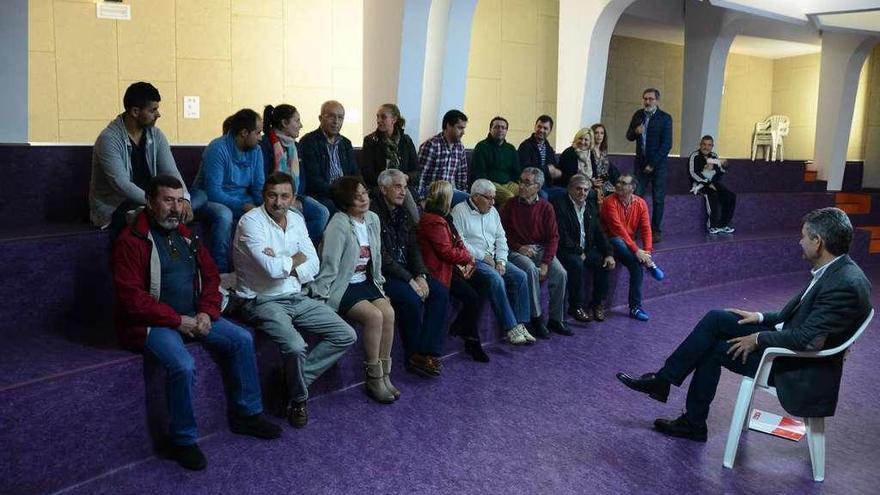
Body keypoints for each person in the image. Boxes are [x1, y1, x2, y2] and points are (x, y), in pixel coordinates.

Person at [617, 207, 872, 441]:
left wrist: (758, 338)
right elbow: (797, 315)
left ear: (818, 242)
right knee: (717, 318)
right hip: (789, 343)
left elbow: (808, 340)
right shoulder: (836, 269)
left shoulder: (843, 284)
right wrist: (759, 317)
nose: (800, 242)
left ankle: (688, 417)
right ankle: (665, 383)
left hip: (796, 365)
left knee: (714, 348)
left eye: (804, 237)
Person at [112, 175, 281, 470]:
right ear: (150, 203)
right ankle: (183, 440)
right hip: (155, 323)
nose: (175, 208)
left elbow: (212, 277)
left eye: (180, 201)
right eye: (167, 200)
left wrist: (206, 313)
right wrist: (178, 321)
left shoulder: (187, 235)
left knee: (242, 340)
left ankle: (247, 415)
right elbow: (132, 299)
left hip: (194, 315)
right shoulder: (131, 240)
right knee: (182, 364)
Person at [232, 172, 356, 429]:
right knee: (296, 346)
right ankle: (299, 398)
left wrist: (283, 261)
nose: (278, 202)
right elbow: (271, 270)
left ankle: (290, 379)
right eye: (272, 196)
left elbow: (314, 264)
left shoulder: (297, 220)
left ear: (293, 198)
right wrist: (293, 259)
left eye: (284, 196)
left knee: (346, 334)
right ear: (263, 196)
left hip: (296, 295)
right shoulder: (250, 222)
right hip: (261, 300)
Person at [310, 176, 398, 404]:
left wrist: (380, 286)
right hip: (345, 284)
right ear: (344, 201)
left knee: (388, 312)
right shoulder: (339, 223)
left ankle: (386, 374)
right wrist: (321, 296)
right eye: (356, 196)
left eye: (365, 194)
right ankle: (373, 378)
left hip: (366, 281)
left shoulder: (373, 219)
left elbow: (376, 258)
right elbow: (329, 264)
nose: (363, 199)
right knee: (374, 316)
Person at [371, 169, 450, 376]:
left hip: (406, 270)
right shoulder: (373, 214)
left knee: (440, 292)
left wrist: (421, 275)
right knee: (411, 298)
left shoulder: (404, 212)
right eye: (397, 186)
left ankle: (428, 351)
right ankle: (413, 355)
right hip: (384, 274)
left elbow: (414, 249)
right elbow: (382, 257)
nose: (403, 192)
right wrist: (410, 279)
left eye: (405, 187)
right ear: (383, 188)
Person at [90, 82, 193, 230]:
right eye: (153, 110)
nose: (158, 114)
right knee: (160, 215)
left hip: (153, 201)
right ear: (135, 112)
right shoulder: (108, 139)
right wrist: (157, 203)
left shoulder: (156, 135)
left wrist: (184, 200)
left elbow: (171, 172)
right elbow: (121, 185)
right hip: (117, 206)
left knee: (196, 202)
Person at [452, 179, 534, 345]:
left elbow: (501, 238)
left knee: (520, 276)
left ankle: (521, 323)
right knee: (495, 278)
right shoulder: (459, 211)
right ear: (475, 197)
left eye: (494, 198)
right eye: (489, 198)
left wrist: (502, 261)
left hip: (494, 257)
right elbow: (459, 242)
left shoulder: (493, 212)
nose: (493, 202)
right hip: (472, 259)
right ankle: (510, 327)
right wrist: (483, 256)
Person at [418, 180, 489, 362]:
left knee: (484, 282)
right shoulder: (433, 220)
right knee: (471, 297)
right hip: (439, 270)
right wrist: (467, 256)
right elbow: (447, 252)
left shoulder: (444, 217)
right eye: (451, 197)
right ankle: (472, 340)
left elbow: (457, 243)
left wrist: (465, 253)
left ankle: (461, 325)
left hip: (451, 267)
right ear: (445, 199)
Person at [191, 108, 265, 273]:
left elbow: (259, 187)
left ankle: (258, 273)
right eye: (258, 132)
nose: (261, 138)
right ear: (244, 133)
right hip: (210, 200)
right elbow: (213, 192)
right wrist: (244, 206)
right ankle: (221, 273)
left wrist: (267, 205)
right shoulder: (217, 148)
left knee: (269, 213)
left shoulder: (256, 151)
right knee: (225, 215)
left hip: (243, 199)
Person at [501, 167, 571, 337]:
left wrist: (546, 262)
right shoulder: (510, 205)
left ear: (538, 186)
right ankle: (536, 318)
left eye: (527, 183)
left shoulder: (546, 207)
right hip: (516, 249)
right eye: (520, 182)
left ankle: (555, 319)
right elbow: (501, 234)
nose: (521, 186)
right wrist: (519, 247)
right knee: (531, 270)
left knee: (561, 273)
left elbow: (553, 237)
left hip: (540, 248)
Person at [260, 104, 330, 242]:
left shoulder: (295, 146)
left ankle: (305, 246)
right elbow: (264, 178)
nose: (301, 125)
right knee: (298, 217)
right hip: (275, 196)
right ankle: (293, 248)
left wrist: (294, 198)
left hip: (296, 195)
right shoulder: (266, 145)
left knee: (322, 212)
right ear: (284, 123)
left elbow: (301, 178)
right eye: (297, 121)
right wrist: (287, 199)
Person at [600, 174, 665, 321]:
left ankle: (635, 308)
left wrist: (647, 251)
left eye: (623, 183)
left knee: (636, 265)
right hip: (609, 242)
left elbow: (646, 229)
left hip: (628, 245)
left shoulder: (640, 203)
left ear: (632, 187)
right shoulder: (609, 202)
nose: (618, 185)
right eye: (617, 182)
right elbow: (618, 230)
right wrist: (637, 251)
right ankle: (649, 266)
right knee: (617, 240)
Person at [552, 174, 615, 324]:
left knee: (603, 262)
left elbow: (600, 232)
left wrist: (609, 253)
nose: (582, 193)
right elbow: (561, 234)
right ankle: (575, 306)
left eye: (586, 190)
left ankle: (597, 304)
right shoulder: (559, 205)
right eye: (578, 189)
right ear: (570, 189)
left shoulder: (590, 206)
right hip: (565, 249)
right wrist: (578, 251)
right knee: (576, 264)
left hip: (585, 249)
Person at [626, 88, 673, 243]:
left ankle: (656, 230)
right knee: (636, 197)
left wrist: (652, 164)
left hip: (658, 166)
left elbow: (667, 145)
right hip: (640, 165)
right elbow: (629, 136)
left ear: (657, 101)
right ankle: (633, 229)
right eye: (645, 98)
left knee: (658, 199)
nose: (647, 102)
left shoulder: (665, 118)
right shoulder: (638, 115)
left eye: (651, 99)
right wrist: (635, 131)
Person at [361, 104, 421, 218]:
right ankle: (416, 225)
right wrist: (390, 182)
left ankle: (413, 229)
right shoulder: (370, 141)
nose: (379, 120)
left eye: (383, 117)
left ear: (394, 119)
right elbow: (367, 172)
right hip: (380, 186)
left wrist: (406, 177)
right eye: (377, 117)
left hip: (403, 185)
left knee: (402, 191)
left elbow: (416, 171)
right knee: (401, 194)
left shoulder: (406, 141)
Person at [299, 100, 359, 213]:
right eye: (331, 116)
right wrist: (339, 192)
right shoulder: (309, 142)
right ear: (320, 118)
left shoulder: (346, 143)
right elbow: (313, 180)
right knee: (333, 207)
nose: (336, 121)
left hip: (345, 193)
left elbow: (354, 172)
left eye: (340, 117)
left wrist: (358, 190)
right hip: (322, 195)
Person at [417, 109, 470, 205]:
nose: (463, 132)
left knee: (471, 200)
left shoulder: (460, 147)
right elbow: (420, 175)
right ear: (448, 126)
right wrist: (420, 199)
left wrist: (463, 203)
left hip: (448, 193)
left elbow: (462, 177)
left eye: (464, 128)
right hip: (432, 193)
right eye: (460, 128)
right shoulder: (431, 145)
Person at [688, 135, 736, 235]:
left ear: (712, 146)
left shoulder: (714, 156)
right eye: (704, 144)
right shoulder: (694, 156)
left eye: (709, 145)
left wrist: (724, 167)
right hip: (699, 184)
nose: (706, 147)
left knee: (730, 196)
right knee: (713, 194)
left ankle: (722, 225)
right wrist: (708, 183)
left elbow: (719, 172)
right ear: (700, 145)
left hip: (714, 183)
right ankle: (712, 226)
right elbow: (693, 173)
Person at [471, 116, 521, 207]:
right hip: (491, 183)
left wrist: (516, 183)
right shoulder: (481, 146)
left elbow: (516, 171)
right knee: (509, 196)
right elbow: (479, 172)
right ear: (490, 129)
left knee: (526, 193)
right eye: (497, 127)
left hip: (508, 184)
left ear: (506, 131)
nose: (500, 130)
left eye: (503, 128)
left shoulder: (510, 148)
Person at [518, 115, 566, 201]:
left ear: (550, 131)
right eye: (539, 127)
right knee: (543, 196)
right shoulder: (525, 146)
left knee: (565, 193)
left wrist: (558, 172)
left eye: (545, 128)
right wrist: (547, 169)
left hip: (547, 185)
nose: (541, 130)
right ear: (535, 127)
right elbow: (527, 169)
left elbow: (553, 168)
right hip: (531, 185)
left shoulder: (548, 148)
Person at [589, 123, 620, 202]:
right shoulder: (588, 151)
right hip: (594, 182)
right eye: (596, 133)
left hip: (606, 182)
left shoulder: (603, 151)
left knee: (623, 191)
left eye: (602, 133)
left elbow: (607, 170)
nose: (599, 135)